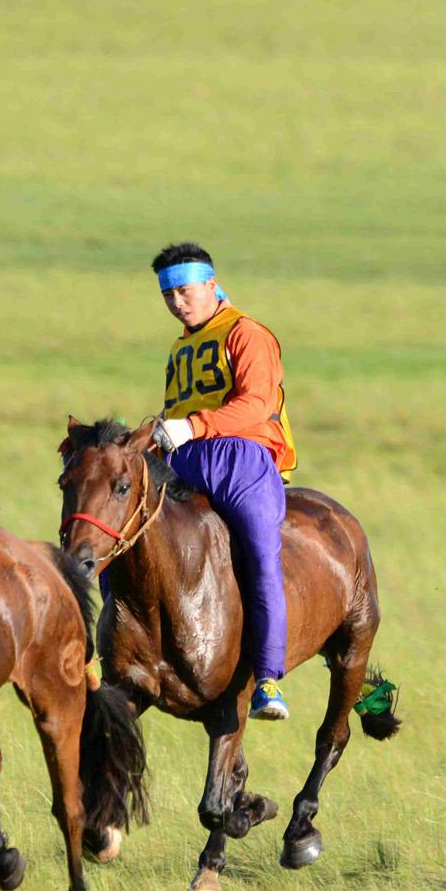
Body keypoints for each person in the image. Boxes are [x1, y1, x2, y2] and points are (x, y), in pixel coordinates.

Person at [147, 242, 300, 720]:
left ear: (211, 284)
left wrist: (193, 427)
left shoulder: (246, 333)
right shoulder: (180, 347)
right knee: (123, 536)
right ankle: (103, 658)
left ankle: (268, 679)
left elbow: (257, 404)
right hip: (182, 460)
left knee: (260, 555)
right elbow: (174, 413)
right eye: (168, 294)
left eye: (185, 290)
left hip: (242, 459)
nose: (177, 302)